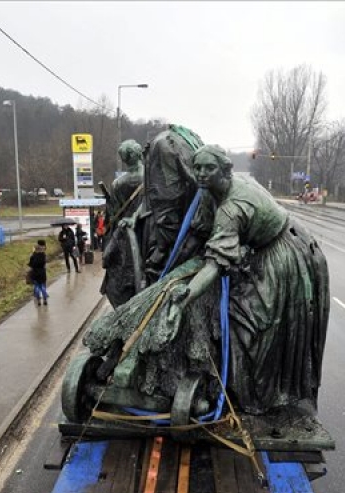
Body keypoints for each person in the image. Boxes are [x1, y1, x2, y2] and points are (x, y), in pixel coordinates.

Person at [84, 145, 329, 415]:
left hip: (281, 254)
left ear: (224, 170)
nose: (200, 173)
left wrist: (185, 296)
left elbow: (214, 266)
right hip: (260, 248)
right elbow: (196, 237)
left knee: (248, 326)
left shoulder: (232, 208)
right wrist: (170, 273)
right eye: (197, 167)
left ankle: (260, 396)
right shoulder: (209, 191)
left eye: (208, 168)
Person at [28, 239, 49, 305]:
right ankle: (45, 299)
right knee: (43, 286)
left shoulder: (32, 256)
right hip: (42, 272)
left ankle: (38, 300)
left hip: (35, 272)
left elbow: (30, 264)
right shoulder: (43, 255)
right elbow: (45, 263)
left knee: (36, 286)